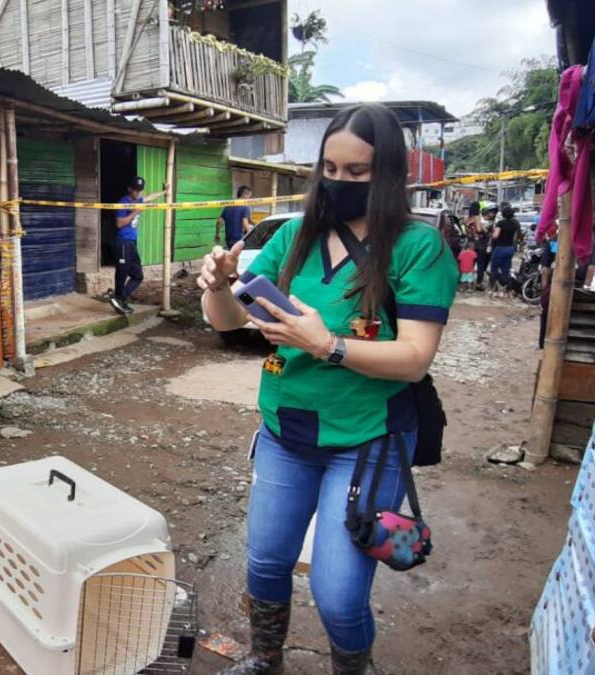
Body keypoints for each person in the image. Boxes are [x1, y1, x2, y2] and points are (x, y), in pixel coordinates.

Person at [198, 104, 457, 674]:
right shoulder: (293, 236)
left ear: (389, 173)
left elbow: (414, 359)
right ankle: (266, 659)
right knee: (265, 563)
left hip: (368, 441)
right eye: (331, 170)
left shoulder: (418, 248)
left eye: (358, 173)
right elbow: (227, 321)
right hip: (286, 431)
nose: (340, 183)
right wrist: (218, 285)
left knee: (339, 596)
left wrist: (326, 344)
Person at [110, 176, 167, 315]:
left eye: (140, 191)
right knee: (122, 273)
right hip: (122, 241)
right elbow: (119, 223)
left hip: (131, 243)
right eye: (135, 190)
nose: (138, 193)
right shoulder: (123, 202)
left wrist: (164, 192)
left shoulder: (139, 200)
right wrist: (135, 212)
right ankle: (119, 300)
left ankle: (120, 299)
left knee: (138, 275)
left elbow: (150, 197)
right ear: (129, 189)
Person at [489, 205, 522, 297]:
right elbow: (516, 238)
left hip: (500, 248)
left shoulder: (501, 223)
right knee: (506, 269)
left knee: (494, 268)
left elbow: (495, 235)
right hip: (510, 248)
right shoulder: (516, 224)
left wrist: (492, 235)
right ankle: (507, 290)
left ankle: (493, 289)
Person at [475, 205, 497, 289]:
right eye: (491, 212)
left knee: (483, 265)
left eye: (493, 212)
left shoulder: (493, 223)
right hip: (483, 246)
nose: (492, 214)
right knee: (481, 265)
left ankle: (479, 281)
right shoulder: (482, 222)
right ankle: (478, 282)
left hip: (486, 246)